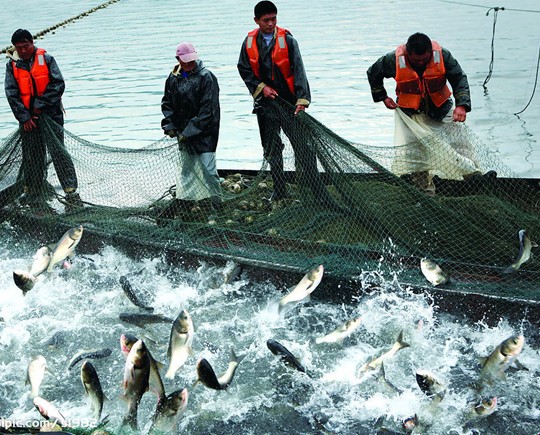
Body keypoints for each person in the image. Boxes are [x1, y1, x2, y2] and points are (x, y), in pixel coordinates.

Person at [366, 32, 483, 195]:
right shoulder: (393, 60)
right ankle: (425, 192)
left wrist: (462, 105)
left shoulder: (443, 56)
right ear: (408, 53)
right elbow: (373, 73)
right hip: (410, 114)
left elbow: (459, 78)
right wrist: (383, 97)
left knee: (460, 138)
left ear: (430, 52)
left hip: (441, 107)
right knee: (416, 154)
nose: (421, 63)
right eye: (416, 60)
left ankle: (474, 176)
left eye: (424, 59)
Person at [238, 0, 330, 204]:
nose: (270, 24)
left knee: (303, 146)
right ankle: (279, 190)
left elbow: (299, 70)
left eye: (273, 19)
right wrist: (262, 88)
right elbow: (244, 69)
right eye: (266, 20)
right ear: (256, 21)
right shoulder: (248, 42)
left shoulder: (288, 41)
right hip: (265, 104)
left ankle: (318, 192)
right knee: (272, 148)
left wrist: (302, 100)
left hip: (289, 103)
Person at [4, 29, 82, 209]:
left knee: (58, 152)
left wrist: (39, 106)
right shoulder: (12, 65)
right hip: (28, 121)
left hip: (51, 116)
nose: (23, 51)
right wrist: (24, 117)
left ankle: (71, 191)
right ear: (15, 48)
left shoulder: (46, 59)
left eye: (26, 46)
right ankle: (33, 192)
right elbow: (11, 94)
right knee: (32, 156)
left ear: (32, 42)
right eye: (19, 48)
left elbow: (58, 84)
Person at [160, 41, 221, 218]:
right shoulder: (173, 79)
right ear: (178, 59)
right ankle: (186, 203)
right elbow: (167, 104)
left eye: (192, 59)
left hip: (205, 134)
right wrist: (169, 125)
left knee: (209, 171)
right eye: (186, 60)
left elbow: (208, 111)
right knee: (186, 171)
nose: (190, 63)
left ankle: (217, 205)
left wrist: (189, 132)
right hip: (183, 134)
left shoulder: (206, 77)